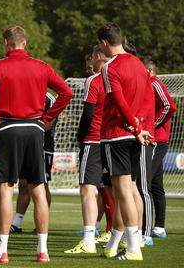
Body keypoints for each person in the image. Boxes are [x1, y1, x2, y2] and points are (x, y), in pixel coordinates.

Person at [0, 26, 73, 264]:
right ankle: (42, 251)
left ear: (6, 43)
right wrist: (47, 119)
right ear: (25, 43)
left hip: (8, 128)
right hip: (34, 129)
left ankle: (2, 250)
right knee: (38, 189)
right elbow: (66, 92)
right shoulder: (42, 66)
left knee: (5, 189)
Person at [97, 23, 154, 261]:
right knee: (128, 191)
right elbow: (146, 97)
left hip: (117, 134)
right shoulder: (139, 64)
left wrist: (136, 127)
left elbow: (119, 102)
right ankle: (116, 244)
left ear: (104, 43)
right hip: (133, 134)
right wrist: (142, 127)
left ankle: (133, 248)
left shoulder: (110, 68)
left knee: (123, 193)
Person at [65, 46, 110, 254]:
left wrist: (80, 137)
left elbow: (88, 113)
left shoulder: (94, 80)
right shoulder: (121, 77)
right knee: (123, 190)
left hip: (94, 140)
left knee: (87, 189)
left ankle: (89, 239)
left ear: (99, 56)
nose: (90, 62)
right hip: (116, 139)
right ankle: (128, 238)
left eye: (92, 57)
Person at [9, 92, 56, 234]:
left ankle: (41, 225)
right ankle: (17, 223)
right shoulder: (23, 94)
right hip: (24, 144)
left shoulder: (49, 99)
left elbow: (48, 125)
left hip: (43, 147)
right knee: (23, 184)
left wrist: (27, 126)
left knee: (42, 184)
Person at [144, 58, 177, 240]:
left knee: (144, 183)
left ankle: (145, 231)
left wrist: (152, 126)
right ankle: (159, 227)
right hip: (156, 140)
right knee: (156, 185)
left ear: (149, 71)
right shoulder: (151, 84)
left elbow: (169, 106)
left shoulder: (154, 83)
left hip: (157, 141)